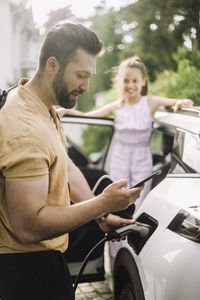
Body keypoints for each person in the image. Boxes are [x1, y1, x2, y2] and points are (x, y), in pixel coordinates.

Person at [0, 23, 144, 300]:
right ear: (52, 65)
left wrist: (100, 215)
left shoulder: (39, 104)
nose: (86, 87)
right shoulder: (26, 128)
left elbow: (63, 164)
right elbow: (29, 225)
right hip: (26, 271)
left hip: (41, 263)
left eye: (89, 76)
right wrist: (103, 203)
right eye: (80, 75)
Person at [58, 55, 194, 213]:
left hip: (142, 158)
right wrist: (67, 111)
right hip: (120, 158)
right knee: (119, 194)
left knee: (139, 194)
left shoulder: (150, 102)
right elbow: (89, 116)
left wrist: (180, 103)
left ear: (143, 81)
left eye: (135, 81)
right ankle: (119, 230)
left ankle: (134, 230)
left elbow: (178, 102)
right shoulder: (117, 106)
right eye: (126, 81)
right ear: (119, 82)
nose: (130, 85)